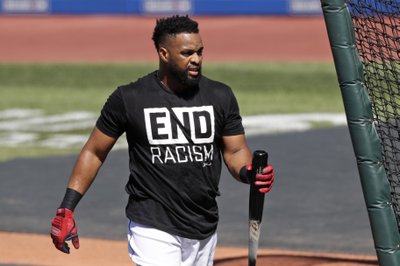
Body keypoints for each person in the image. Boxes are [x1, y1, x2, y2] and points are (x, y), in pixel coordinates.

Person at [50, 15, 274, 266]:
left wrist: (248, 172)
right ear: (164, 53)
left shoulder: (220, 95)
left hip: (204, 224)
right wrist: (67, 208)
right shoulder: (130, 98)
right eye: (188, 53)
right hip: (152, 224)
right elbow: (94, 152)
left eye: (200, 52)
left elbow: (235, 151)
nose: (197, 60)